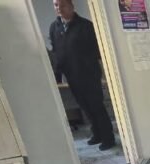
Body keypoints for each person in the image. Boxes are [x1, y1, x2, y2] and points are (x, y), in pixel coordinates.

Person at [49, 0, 117, 150]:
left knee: (96, 106)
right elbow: (56, 51)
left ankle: (108, 138)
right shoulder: (54, 27)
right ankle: (97, 134)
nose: (59, 8)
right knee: (85, 107)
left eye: (62, 5)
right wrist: (57, 74)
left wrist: (86, 64)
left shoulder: (85, 26)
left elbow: (98, 50)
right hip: (71, 75)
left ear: (71, 6)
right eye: (56, 5)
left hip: (89, 74)